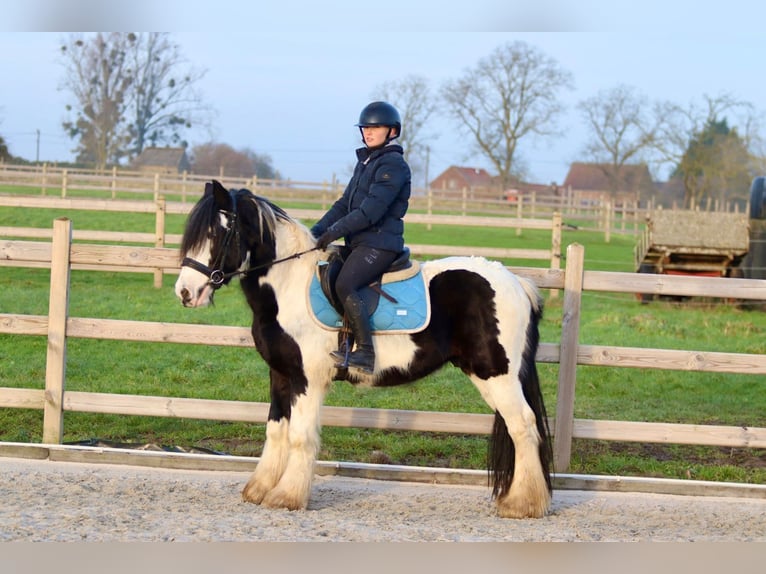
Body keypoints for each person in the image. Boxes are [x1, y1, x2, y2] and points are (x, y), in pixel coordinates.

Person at [311, 101, 412, 373]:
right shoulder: (366, 162)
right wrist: (317, 231)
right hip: (360, 243)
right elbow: (345, 204)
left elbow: (370, 212)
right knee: (328, 272)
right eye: (365, 127)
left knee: (345, 284)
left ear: (392, 131)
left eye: (375, 127)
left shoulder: (393, 165)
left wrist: (334, 232)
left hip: (380, 244)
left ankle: (366, 353)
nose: (368, 132)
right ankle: (343, 341)